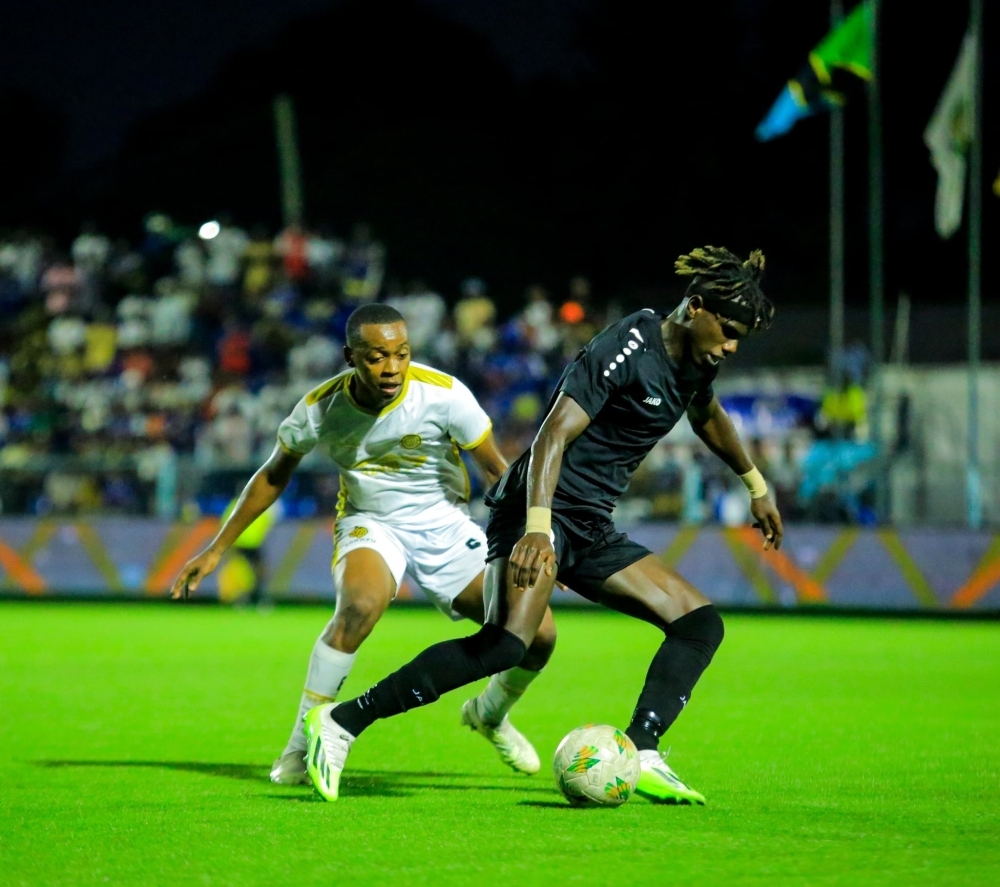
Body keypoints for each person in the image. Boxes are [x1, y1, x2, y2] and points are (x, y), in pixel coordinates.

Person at [303, 247, 783, 804]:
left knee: (699, 623)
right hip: (538, 507)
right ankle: (340, 723)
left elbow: (707, 416)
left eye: (738, 339)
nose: (730, 346)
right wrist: (537, 527)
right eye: (727, 331)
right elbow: (553, 433)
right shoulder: (630, 344)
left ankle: (643, 749)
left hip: (590, 524)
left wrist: (756, 484)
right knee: (506, 646)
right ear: (695, 307)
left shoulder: (697, 363)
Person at [170, 304, 556, 783]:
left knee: (538, 634)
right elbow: (272, 475)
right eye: (376, 357)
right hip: (370, 522)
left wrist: (528, 534)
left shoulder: (445, 395)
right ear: (350, 356)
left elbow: (499, 471)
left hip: (445, 525)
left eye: (402, 354)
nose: (392, 368)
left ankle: (491, 713)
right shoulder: (318, 409)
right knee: (360, 605)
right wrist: (218, 546)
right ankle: (298, 748)